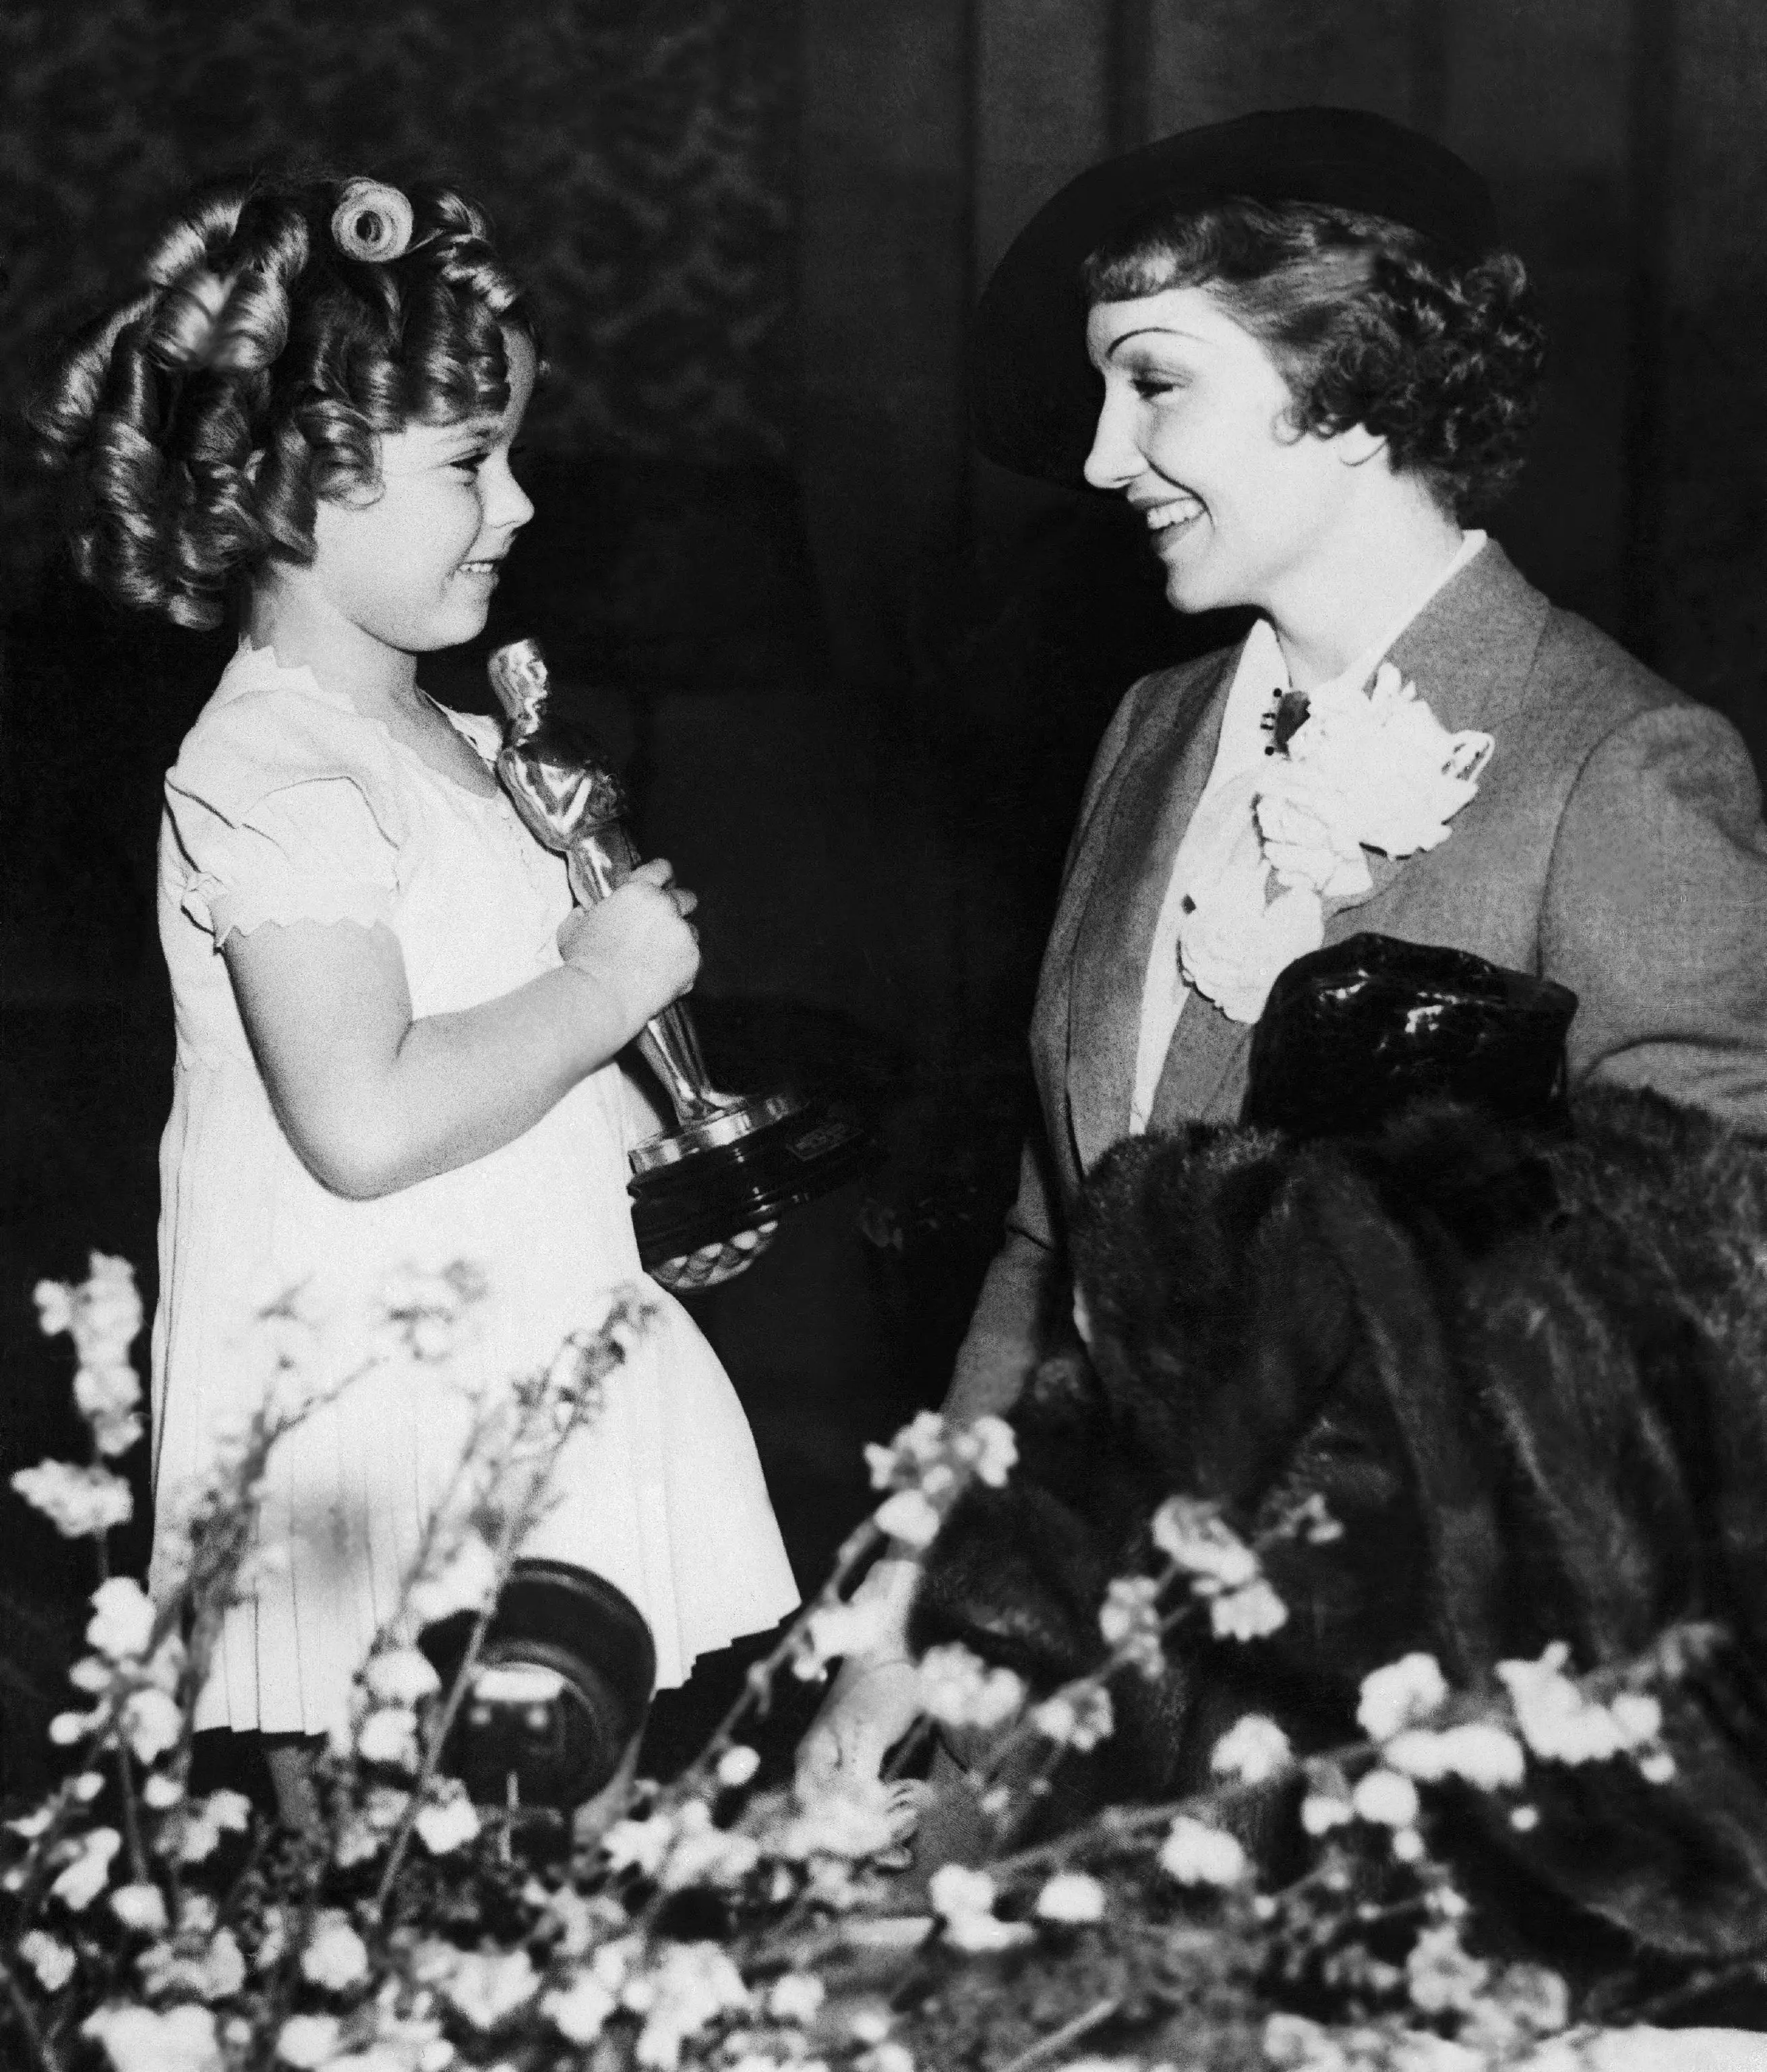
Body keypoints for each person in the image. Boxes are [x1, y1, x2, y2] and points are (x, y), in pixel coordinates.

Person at [800, 104, 1767, 1788]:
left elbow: (1712, 1308)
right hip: (1091, 1686)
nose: (1101, 459)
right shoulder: (1148, 728)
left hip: (1436, 1721)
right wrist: (906, 1615)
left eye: (1154, 382)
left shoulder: (1610, 765)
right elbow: (1047, 1248)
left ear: (1353, 387)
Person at [32, 171, 798, 1800]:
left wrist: (633, 1157)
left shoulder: (447, 739)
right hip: (390, 1440)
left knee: (565, 1882)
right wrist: (599, 989)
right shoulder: (267, 761)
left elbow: (479, 1056)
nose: (517, 503)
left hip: (534, 1379)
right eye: (470, 462)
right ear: (287, 480)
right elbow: (365, 1116)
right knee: (415, 1908)